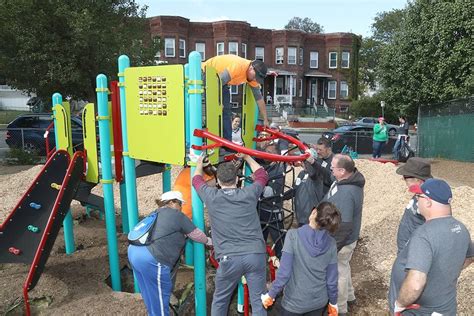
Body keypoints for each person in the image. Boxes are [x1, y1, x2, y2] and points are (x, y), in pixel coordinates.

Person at [192, 153, 269, 316]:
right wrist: (248, 157)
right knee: (258, 300)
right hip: (255, 254)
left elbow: (196, 180)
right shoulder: (249, 194)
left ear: (218, 182)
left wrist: (199, 164)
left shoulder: (212, 196)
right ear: (237, 179)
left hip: (229, 258)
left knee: (220, 301)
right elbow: (262, 174)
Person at [391, 179, 473, 315]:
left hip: (420, 311)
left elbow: (416, 284)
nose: (416, 200)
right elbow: (470, 256)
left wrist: (400, 304)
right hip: (445, 309)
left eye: (419, 196)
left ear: (428, 202)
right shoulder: (460, 228)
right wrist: (445, 273)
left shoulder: (424, 234)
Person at [128, 191, 212, 316]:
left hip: (133, 252)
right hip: (151, 257)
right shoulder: (176, 215)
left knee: (150, 294)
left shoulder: (155, 213)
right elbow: (196, 234)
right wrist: (209, 241)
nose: (181, 207)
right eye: (180, 204)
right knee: (160, 296)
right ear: (172, 202)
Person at [261, 202, 341, 315]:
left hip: (294, 303)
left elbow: (284, 274)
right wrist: (333, 303)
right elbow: (332, 280)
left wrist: (271, 295)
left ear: (314, 212)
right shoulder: (332, 244)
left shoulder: (293, 236)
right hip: (318, 303)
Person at [323, 154, 365, 315]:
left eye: (332, 168)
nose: (330, 170)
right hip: (343, 239)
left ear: (341, 171)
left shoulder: (348, 191)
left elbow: (346, 225)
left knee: (338, 273)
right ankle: (349, 296)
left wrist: (334, 245)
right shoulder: (343, 181)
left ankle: (340, 308)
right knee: (343, 266)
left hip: (342, 240)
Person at [202, 54, 269, 142]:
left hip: (220, 82)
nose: (255, 80)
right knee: (210, 110)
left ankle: (227, 144)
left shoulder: (252, 78)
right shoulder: (238, 66)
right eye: (255, 77)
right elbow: (216, 83)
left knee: (226, 111)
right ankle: (204, 139)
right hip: (205, 74)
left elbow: (259, 99)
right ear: (251, 68)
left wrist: (265, 119)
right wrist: (218, 101)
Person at [395, 157, 432, 252]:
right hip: (406, 248)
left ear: (418, 181)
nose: (404, 181)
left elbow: (432, 229)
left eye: (406, 178)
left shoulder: (428, 201)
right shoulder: (419, 194)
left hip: (413, 251)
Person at [259, 143, 286, 258]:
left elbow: (272, 192)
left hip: (273, 209)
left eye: (269, 153)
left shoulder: (279, 169)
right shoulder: (268, 166)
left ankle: (282, 258)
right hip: (263, 208)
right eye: (265, 152)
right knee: (261, 234)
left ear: (277, 154)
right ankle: (261, 255)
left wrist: (258, 184)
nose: (266, 155)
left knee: (278, 237)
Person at [288, 148, 325, 227]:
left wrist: (309, 161)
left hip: (310, 217)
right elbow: (294, 190)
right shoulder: (302, 174)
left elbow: (313, 173)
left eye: (304, 161)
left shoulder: (317, 175)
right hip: (300, 215)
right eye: (302, 161)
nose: (302, 163)